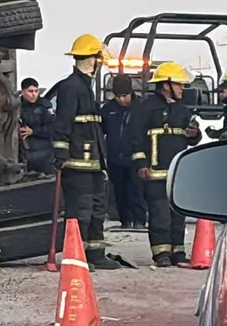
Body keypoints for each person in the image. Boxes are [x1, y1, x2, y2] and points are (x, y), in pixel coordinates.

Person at [51, 33, 120, 270]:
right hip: (77, 164)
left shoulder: (86, 87)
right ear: (93, 60)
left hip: (94, 164)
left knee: (97, 209)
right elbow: (63, 124)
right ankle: (76, 255)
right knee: (80, 211)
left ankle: (96, 254)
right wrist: (61, 155)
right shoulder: (71, 87)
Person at [128, 62, 201, 267]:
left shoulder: (182, 110)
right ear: (166, 84)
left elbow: (191, 138)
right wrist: (141, 163)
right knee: (159, 212)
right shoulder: (146, 108)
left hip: (178, 172)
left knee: (178, 212)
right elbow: (135, 139)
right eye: (178, 84)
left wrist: (195, 135)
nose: (182, 89)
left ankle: (178, 251)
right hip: (155, 171)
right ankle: (161, 253)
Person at [100, 74, 147, 230]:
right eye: (118, 96)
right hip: (115, 158)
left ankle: (139, 220)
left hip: (135, 158)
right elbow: (102, 130)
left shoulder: (141, 107)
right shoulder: (108, 109)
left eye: (124, 96)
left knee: (137, 190)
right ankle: (124, 220)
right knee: (119, 191)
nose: (121, 100)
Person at [18, 77, 55, 174]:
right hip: (25, 154)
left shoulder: (44, 106)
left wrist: (33, 131)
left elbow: (53, 128)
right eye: (30, 91)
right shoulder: (17, 106)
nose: (34, 94)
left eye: (36, 91)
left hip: (44, 153)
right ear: (23, 91)